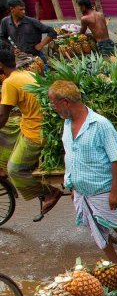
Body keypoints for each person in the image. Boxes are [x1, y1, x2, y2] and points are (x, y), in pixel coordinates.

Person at [48, 80, 117, 264]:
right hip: (82, 192)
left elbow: (116, 160)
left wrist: (114, 193)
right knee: (97, 232)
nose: (54, 108)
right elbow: (70, 155)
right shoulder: (67, 124)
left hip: (102, 191)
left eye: (54, 104)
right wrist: (72, 186)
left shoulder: (100, 125)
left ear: (65, 102)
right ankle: (114, 266)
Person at [0, 49, 60, 217]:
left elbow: (3, 115)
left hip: (36, 132)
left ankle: (49, 192)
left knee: (15, 170)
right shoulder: (25, 74)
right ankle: (3, 166)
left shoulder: (9, 83)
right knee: (9, 128)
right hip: (34, 123)